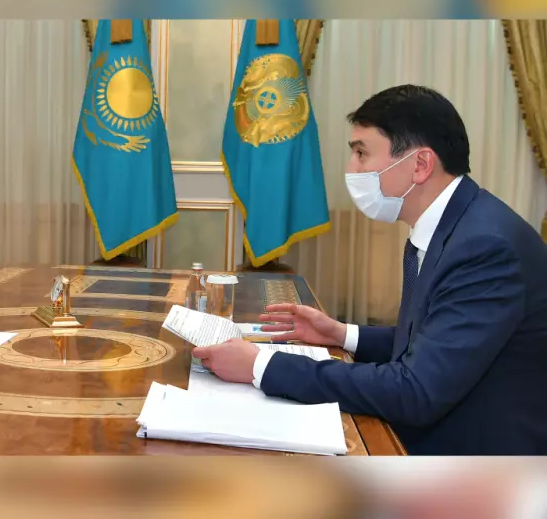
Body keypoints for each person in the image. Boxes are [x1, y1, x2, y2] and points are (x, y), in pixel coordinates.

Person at [194, 84, 547, 455]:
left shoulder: (485, 247)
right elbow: (434, 339)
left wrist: (262, 366)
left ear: (421, 165)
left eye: (361, 153)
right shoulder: (454, 225)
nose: (352, 169)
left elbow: (416, 391)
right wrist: (341, 334)